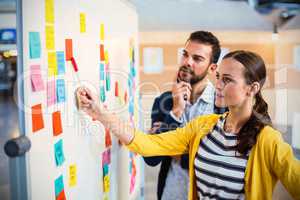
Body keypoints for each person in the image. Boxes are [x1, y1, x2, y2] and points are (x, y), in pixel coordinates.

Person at [76, 50, 300, 200]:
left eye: (228, 80)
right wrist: (99, 112)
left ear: (252, 89)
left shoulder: (268, 140)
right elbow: (147, 144)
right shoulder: (203, 127)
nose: (218, 85)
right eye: (219, 76)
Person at [144, 31, 227, 200]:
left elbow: (220, 163)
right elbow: (151, 158)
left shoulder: (223, 105)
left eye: (197, 59)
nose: (187, 62)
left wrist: (173, 150)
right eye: (185, 54)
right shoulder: (164, 101)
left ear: (212, 68)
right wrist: (175, 112)